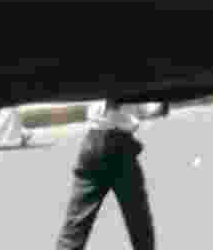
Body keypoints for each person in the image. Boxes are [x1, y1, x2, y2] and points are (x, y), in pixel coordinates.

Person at [55, 98, 155, 250]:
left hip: (93, 141)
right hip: (120, 147)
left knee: (75, 225)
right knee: (139, 222)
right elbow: (151, 108)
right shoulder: (134, 79)